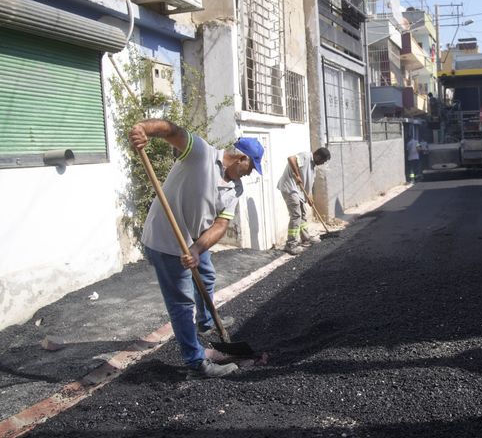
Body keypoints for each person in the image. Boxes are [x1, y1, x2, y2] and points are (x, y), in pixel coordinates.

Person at [128, 119, 264, 379]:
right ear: (241, 158)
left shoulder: (235, 189)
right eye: (251, 167)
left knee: (207, 276)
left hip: (193, 240)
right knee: (182, 302)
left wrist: (197, 249)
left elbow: (221, 225)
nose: (250, 174)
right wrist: (143, 129)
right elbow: (171, 130)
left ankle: (206, 322)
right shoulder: (201, 154)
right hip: (166, 239)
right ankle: (196, 362)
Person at [277, 147, 331, 255]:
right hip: (290, 188)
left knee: (303, 213)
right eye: (323, 161)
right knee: (296, 215)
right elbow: (291, 158)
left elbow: (307, 183)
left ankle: (305, 238)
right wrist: (297, 175)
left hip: (298, 191)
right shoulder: (306, 156)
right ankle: (291, 244)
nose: (322, 163)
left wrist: (309, 197)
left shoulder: (313, 166)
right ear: (318, 156)